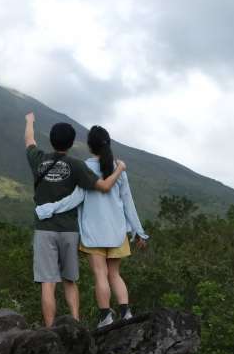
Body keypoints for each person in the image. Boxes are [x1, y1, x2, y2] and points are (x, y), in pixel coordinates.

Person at [35, 125, 149, 329]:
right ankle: (126, 312)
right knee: (115, 274)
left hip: (93, 232)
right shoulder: (118, 168)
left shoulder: (84, 167)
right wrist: (139, 232)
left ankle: (106, 316)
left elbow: (75, 198)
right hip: (117, 232)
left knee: (100, 275)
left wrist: (48, 209)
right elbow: (128, 201)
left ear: (89, 146)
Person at [25, 113, 125, 327]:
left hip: (44, 230)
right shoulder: (78, 165)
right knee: (70, 281)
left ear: (51, 140)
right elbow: (105, 187)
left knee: (48, 284)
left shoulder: (38, 159)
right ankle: (76, 325)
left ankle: (50, 330)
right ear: (71, 143)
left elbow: (29, 141)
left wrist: (30, 121)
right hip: (69, 230)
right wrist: (119, 169)